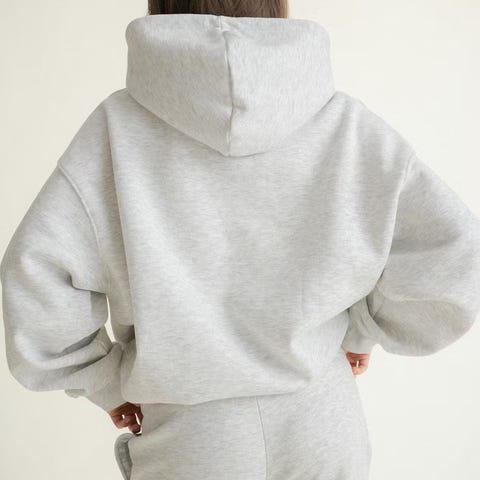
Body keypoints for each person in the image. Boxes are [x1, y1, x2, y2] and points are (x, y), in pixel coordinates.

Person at [2, 1, 480, 479]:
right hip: (323, 424)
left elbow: (36, 276)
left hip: (191, 439)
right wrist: (362, 330)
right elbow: (453, 252)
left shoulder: (112, 131)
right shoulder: (348, 125)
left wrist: (104, 381)